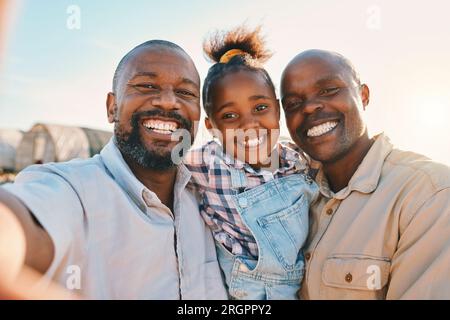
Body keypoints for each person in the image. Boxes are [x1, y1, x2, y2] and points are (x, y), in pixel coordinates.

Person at [0, 40, 227, 299]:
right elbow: (17, 222)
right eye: (146, 86)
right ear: (112, 107)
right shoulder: (72, 190)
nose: (167, 102)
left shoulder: (215, 195)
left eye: (186, 92)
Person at [280, 49, 450, 299]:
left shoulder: (427, 193)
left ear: (363, 95)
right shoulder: (289, 199)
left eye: (328, 90)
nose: (309, 107)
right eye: (293, 103)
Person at [184, 26, 319, 300]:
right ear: (211, 126)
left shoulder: (299, 162)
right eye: (230, 116)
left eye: (260, 108)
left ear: (278, 109)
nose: (249, 124)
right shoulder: (207, 164)